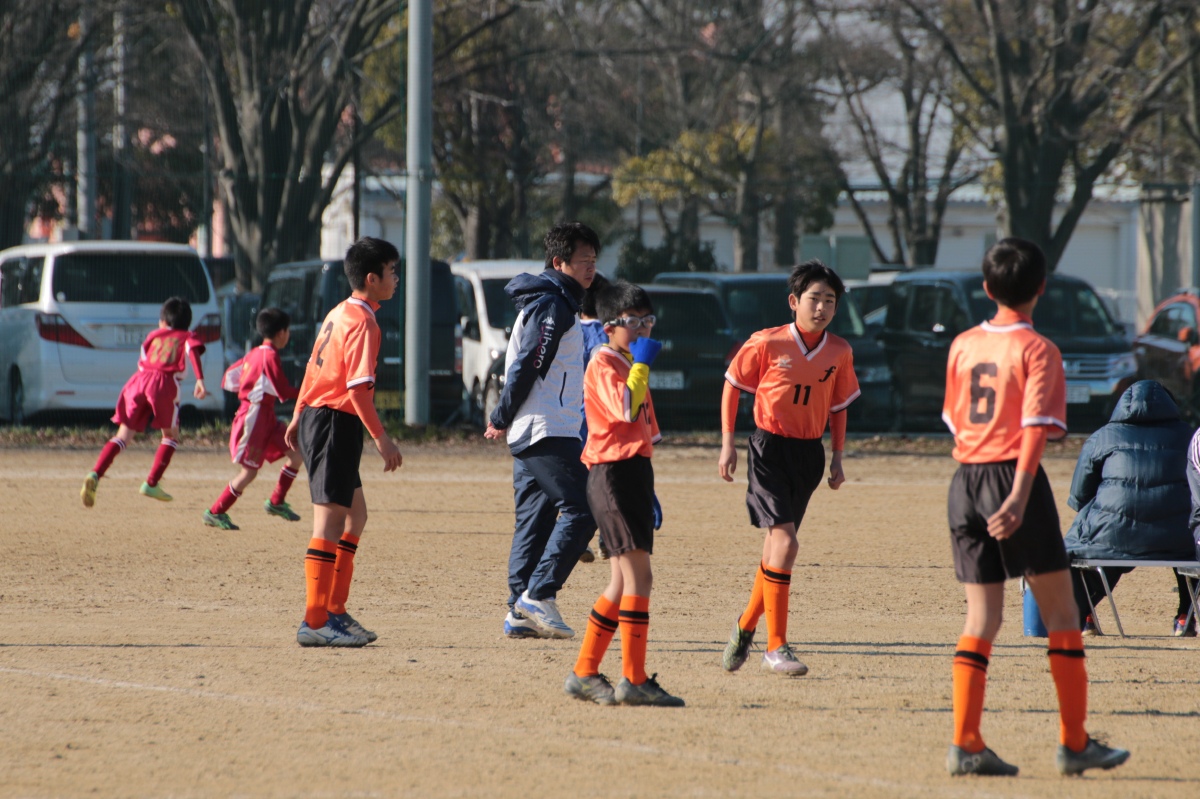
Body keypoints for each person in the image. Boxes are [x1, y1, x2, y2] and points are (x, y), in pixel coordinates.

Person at [940, 237, 1128, 777]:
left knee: (982, 617)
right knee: (1064, 614)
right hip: (1011, 476)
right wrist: (1019, 496)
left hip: (965, 479)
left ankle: (966, 743)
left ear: (986, 288)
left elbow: (955, 420)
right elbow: (1035, 430)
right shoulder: (1038, 349)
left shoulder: (963, 344)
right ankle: (1074, 742)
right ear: (1041, 288)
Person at [718, 260, 860, 676]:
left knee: (777, 549)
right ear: (794, 301)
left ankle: (745, 626)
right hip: (769, 450)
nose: (822, 307)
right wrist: (727, 444)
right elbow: (732, 385)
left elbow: (839, 406)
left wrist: (837, 456)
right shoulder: (766, 342)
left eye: (830, 301)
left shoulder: (839, 351)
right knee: (786, 543)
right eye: (814, 298)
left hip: (809, 455)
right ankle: (775, 647)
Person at [564, 280, 684, 707]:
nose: (642, 329)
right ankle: (633, 679)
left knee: (621, 580)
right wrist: (642, 364)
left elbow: (646, 431)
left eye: (648, 321)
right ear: (609, 326)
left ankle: (584, 672)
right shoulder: (605, 361)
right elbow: (625, 409)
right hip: (611, 475)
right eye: (632, 321)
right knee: (638, 578)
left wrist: (648, 491)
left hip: (631, 473)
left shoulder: (631, 362)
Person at [283, 237, 404, 648]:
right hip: (334, 422)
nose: (396, 279)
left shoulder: (340, 311)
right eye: (392, 272)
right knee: (330, 523)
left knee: (356, 517)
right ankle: (315, 621)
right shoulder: (364, 322)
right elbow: (356, 390)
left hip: (326, 419)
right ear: (372, 278)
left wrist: (298, 414)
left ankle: (334, 610)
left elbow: (313, 367)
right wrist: (382, 439)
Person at [485, 222, 598, 640]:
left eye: (594, 260)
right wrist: (501, 415)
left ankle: (519, 609)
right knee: (585, 508)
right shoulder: (553, 304)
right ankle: (540, 594)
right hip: (544, 427)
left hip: (540, 428)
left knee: (533, 523)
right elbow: (530, 362)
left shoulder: (558, 301)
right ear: (558, 262)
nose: (590, 268)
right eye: (583, 260)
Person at [1064, 380, 1195, 637]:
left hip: (1114, 534)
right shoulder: (1189, 435)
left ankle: (1085, 615)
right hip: (1178, 536)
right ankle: (1185, 617)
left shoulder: (1103, 436)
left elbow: (1079, 496)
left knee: (1088, 544)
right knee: (1192, 548)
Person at [80, 296, 208, 507]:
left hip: (138, 382)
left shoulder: (153, 336)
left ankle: (95, 473)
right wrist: (200, 380)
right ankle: (151, 483)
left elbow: (143, 361)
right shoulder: (186, 336)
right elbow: (193, 350)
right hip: (164, 383)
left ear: (163, 322)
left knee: (122, 436)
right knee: (171, 436)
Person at [203, 307, 304, 531]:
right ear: (281, 333)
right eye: (288, 331)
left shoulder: (254, 353)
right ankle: (215, 511)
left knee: (297, 454)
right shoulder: (270, 355)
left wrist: (250, 389)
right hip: (255, 417)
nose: (288, 335)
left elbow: (230, 377)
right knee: (249, 472)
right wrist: (308, 392)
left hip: (265, 415)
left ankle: (276, 502)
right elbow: (282, 390)